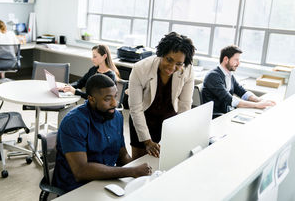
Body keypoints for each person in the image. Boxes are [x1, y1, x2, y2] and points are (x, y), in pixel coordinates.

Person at [53, 74, 151, 193]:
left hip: (105, 179)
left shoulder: (117, 117)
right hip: (75, 186)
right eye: (107, 99)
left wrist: (142, 173)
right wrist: (131, 172)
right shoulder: (74, 122)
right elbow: (81, 171)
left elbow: (122, 156)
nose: (114, 103)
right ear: (91, 99)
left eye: (115, 96)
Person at [129, 32, 196, 160]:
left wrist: (180, 133)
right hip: (143, 118)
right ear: (162, 54)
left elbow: (185, 105)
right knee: (138, 163)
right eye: (169, 60)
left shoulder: (188, 70)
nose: (172, 67)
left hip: (169, 120)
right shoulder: (140, 69)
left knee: (165, 161)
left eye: (178, 63)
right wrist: (147, 141)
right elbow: (136, 109)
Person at [202, 45, 276, 117]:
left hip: (227, 113)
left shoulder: (229, 75)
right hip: (216, 116)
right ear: (226, 59)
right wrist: (256, 105)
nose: (238, 63)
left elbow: (242, 91)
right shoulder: (213, 76)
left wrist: (259, 100)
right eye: (236, 60)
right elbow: (230, 100)